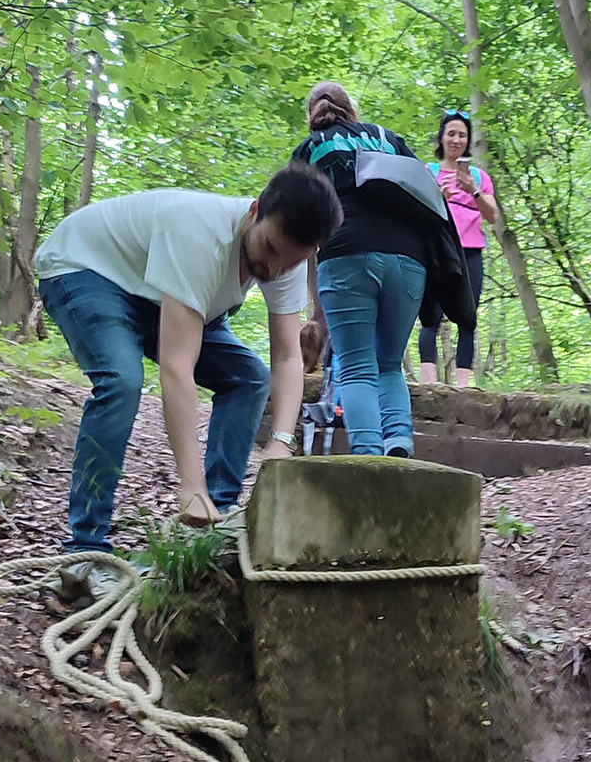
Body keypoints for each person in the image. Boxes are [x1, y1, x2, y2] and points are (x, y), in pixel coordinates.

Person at [34, 166, 343, 588]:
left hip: (159, 294)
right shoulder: (200, 234)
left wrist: (280, 442)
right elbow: (176, 366)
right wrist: (189, 484)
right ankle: (85, 549)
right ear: (254, 212)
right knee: (122, 381)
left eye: (290, 262)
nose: (272, 269)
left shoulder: (284, 261)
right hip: (87, 269)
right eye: (269, 249)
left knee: (248, 378)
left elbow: (288, 358)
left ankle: (215, 526)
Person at [290, 81, 431, 457]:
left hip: (346, 254)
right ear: (352, 110)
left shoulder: (309, 150)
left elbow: (299, 225)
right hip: (409, 260)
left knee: (355, 367)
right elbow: (424, 192)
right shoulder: (388, 138)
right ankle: (399, 441)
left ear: (312, 116)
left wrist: (309, 297)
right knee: (389, 365)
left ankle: (368, 454)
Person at [418, 109, 499, 387]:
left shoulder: (479, 176)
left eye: (462, 135)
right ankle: (429, 384)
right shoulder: (428, 171)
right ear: (441, 138)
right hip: (438, 251)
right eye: (451, 133)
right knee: (431, 316)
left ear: (468, 141)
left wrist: (473, 190)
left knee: (468, 317)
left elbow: (494, 216)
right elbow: (417, 212)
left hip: (471, 253)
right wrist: (440, 196)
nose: (456, 139)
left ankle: (463, 387)